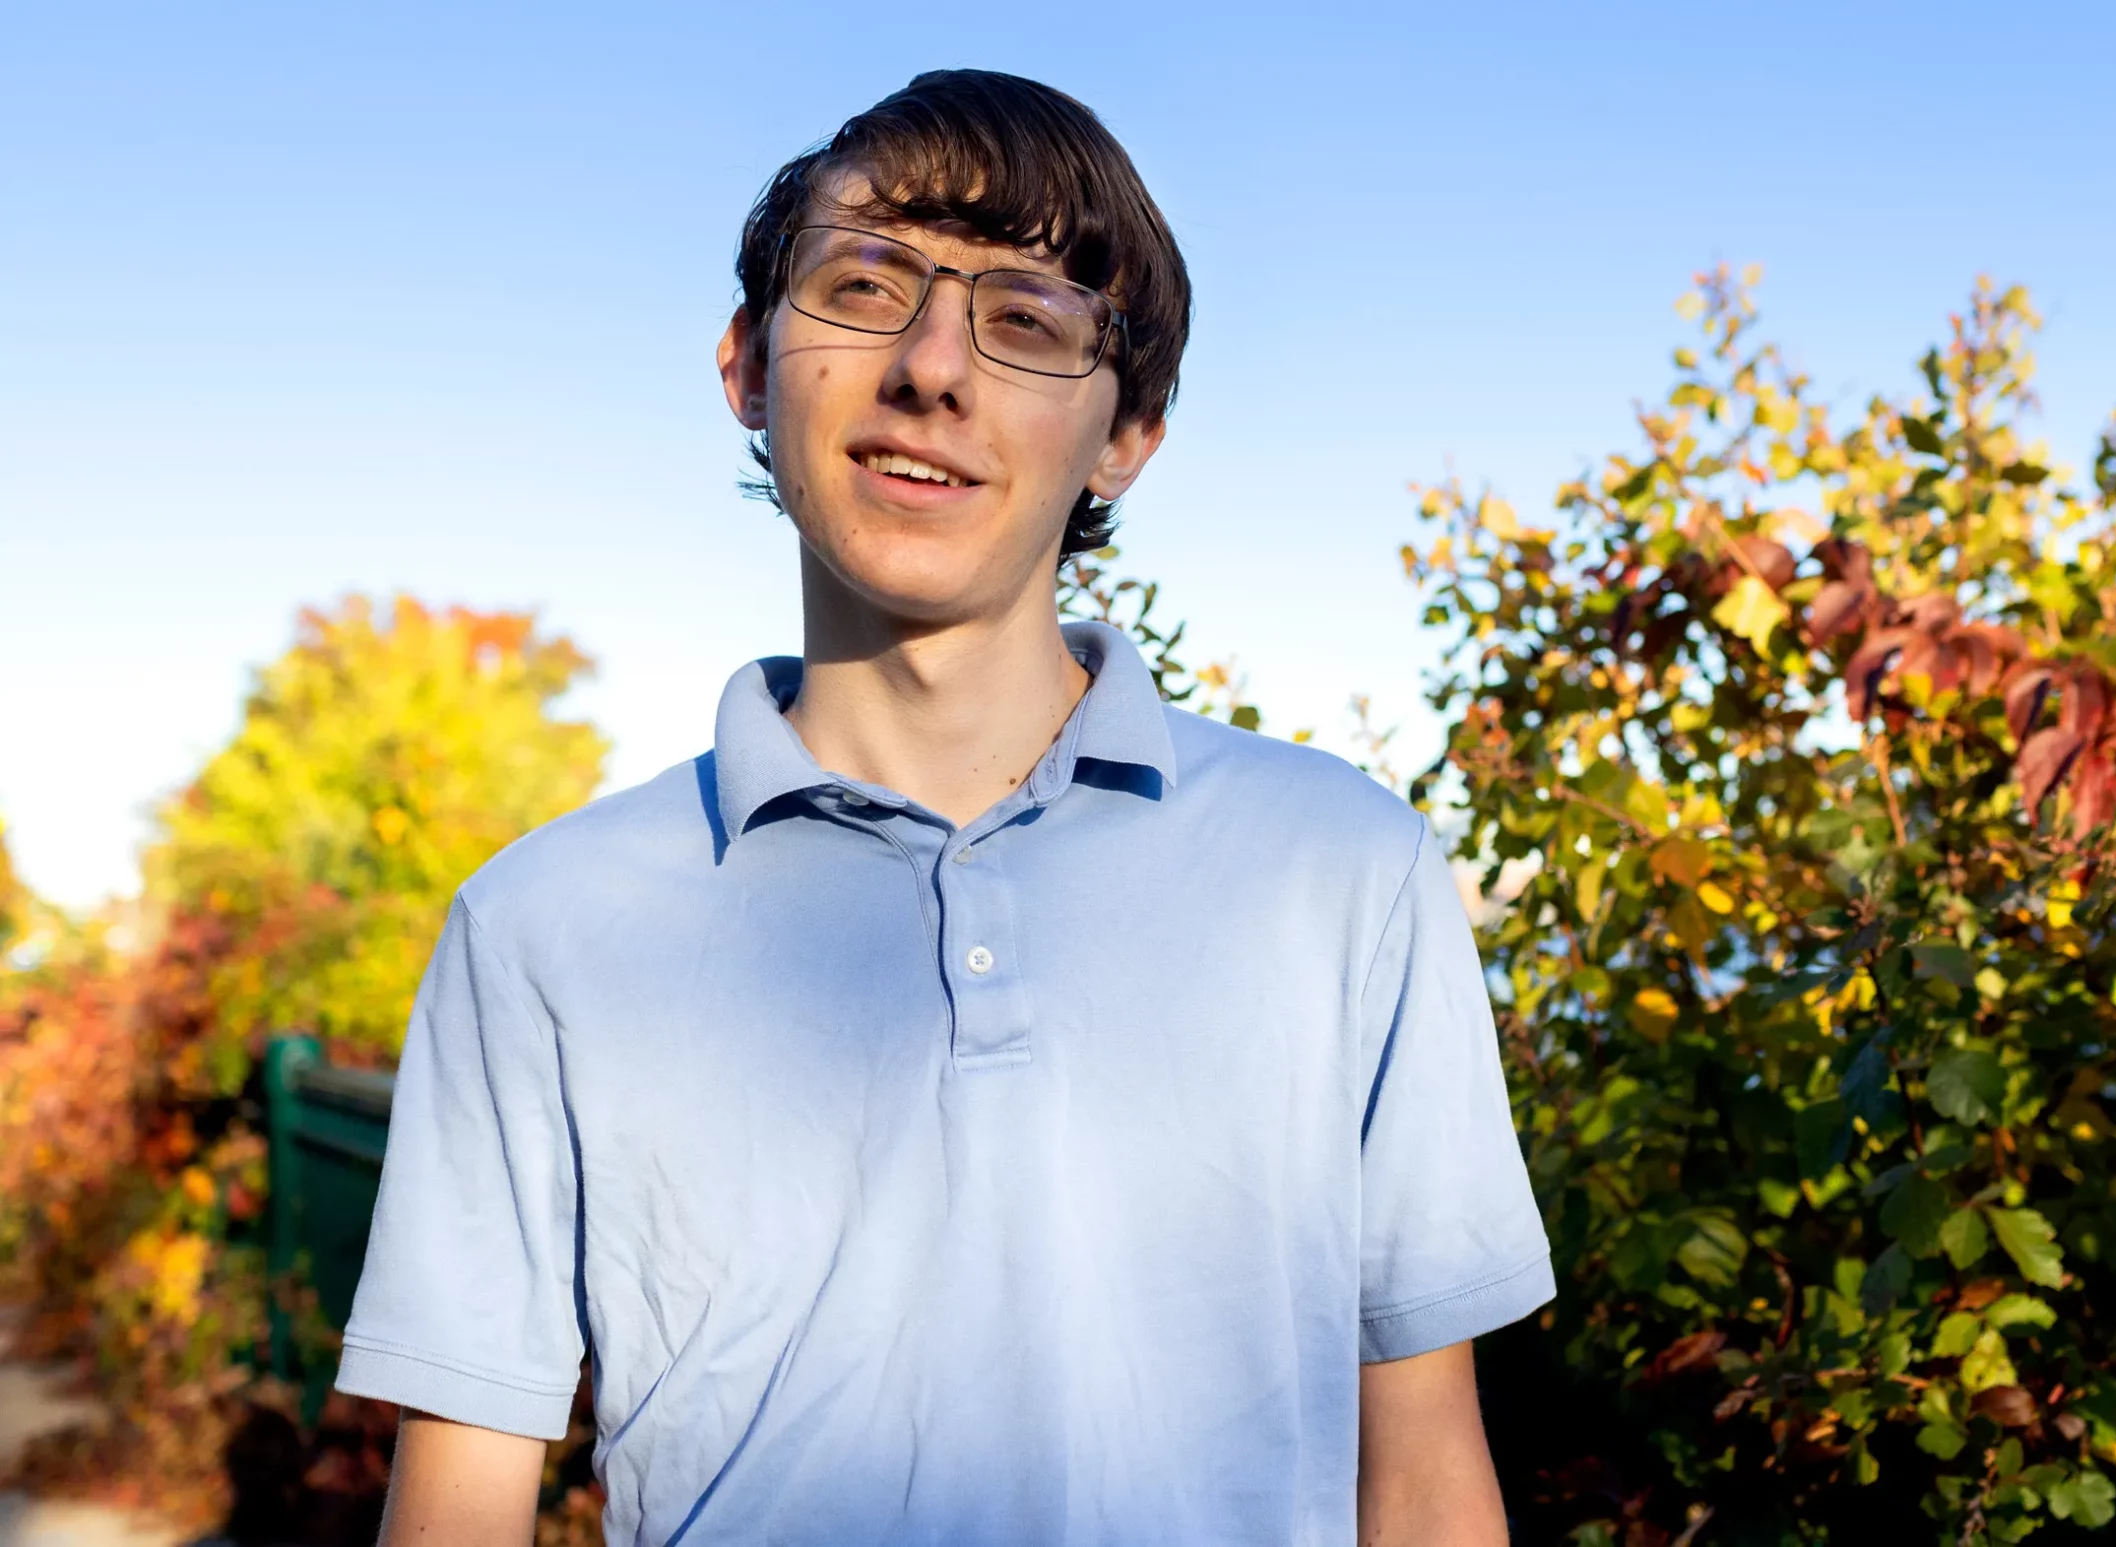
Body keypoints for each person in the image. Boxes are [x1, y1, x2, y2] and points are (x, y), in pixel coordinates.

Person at [338, 68, 1552, 1547]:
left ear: (1128, 435)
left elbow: (1423, 1482)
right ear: (745, 363)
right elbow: (457, 1507)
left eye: (1027, 320)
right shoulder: (539, 929)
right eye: (864, 284)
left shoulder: (1346, 873)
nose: (932, 365)